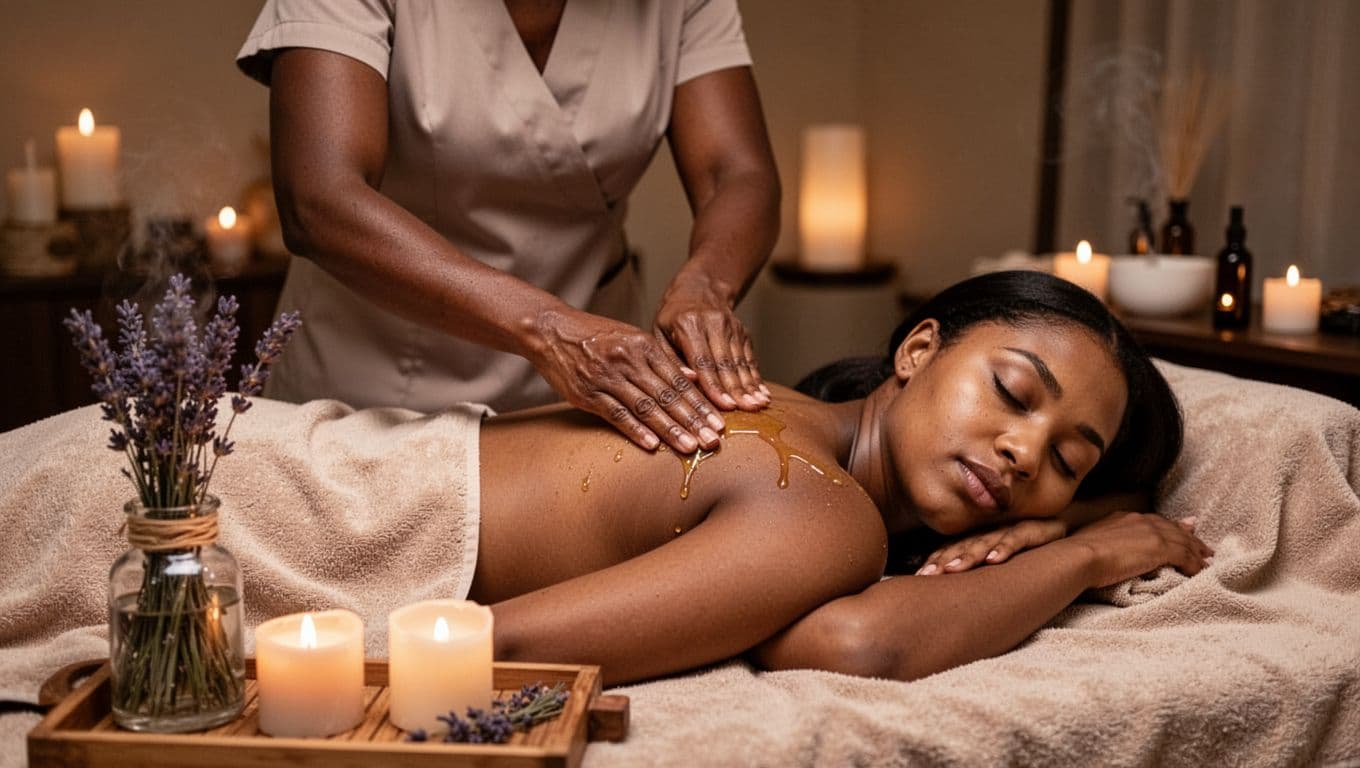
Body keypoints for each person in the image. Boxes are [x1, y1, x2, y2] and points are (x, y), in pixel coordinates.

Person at [473, 270, 1211, 683]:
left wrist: (1070, 520)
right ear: (918, 350)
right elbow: (855, 643)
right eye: (1014, 393)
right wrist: (1083, 557)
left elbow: (807, 631)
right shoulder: (820, 505)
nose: (1023, 451)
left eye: (1067, 463)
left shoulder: (788, 417)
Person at [234, 1, 781, 457]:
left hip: (593, 395)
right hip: (372, 393)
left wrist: (705, 285)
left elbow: (735, 172)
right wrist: (548, 329)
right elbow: (320, 198)